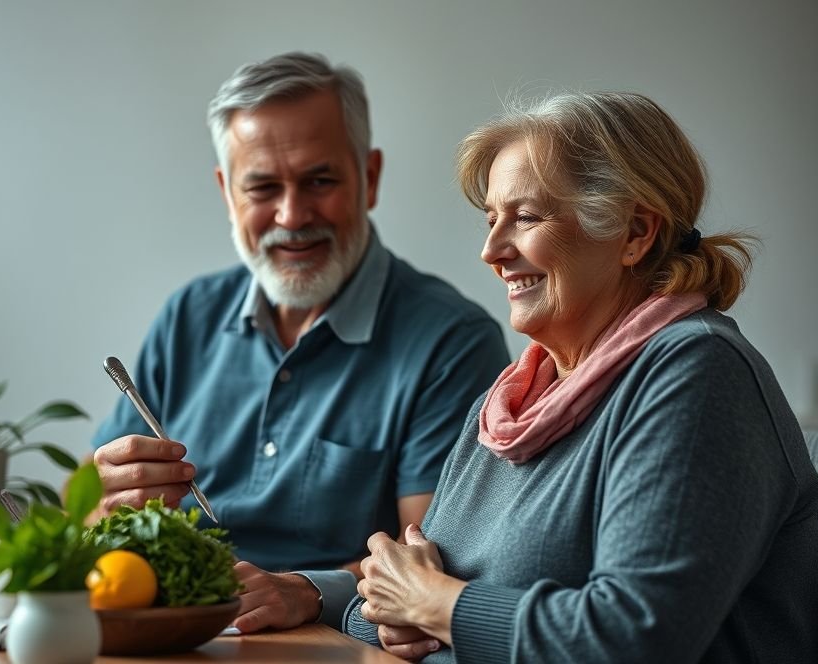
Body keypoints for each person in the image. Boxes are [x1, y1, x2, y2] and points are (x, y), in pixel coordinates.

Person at [344, 91, 818, 663]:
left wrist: (437, 607)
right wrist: (396, 613)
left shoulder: (697, 372)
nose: (491, 251)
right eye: (491, 219)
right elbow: (394, 603)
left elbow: (633, 639)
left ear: (636, 231)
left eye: (525, 217)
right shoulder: (506, 406)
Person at [90, 52, 510, 633]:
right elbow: (87, 515)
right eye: (263, 186)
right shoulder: (185, 318)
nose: (292, 214)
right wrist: (107, 507)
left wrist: (309, 591)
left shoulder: (452, 342)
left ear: (370, 177)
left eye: (319, 180)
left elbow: (434, 562)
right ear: (227, 193)